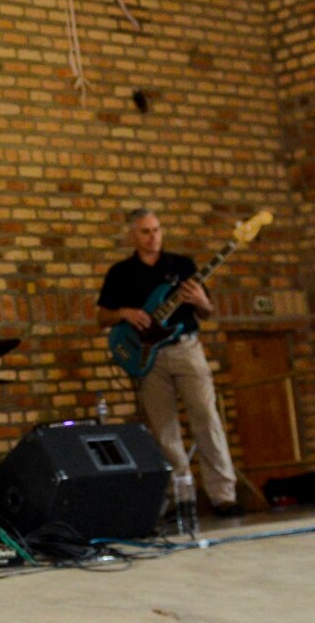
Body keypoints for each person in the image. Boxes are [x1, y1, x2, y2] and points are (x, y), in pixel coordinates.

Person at [97, 207, 239, 518]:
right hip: (148, 357)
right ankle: (181, 497)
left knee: (207, 417)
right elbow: (102, 316)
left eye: (157, 229)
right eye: (146, 231)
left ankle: (223, 495)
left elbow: (207, 312)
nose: (154, 236)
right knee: (164, 430)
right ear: (133, 235)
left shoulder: (182, 266)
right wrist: (125, 313)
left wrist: (201, 301)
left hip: (185, 348)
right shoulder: (120, 273)